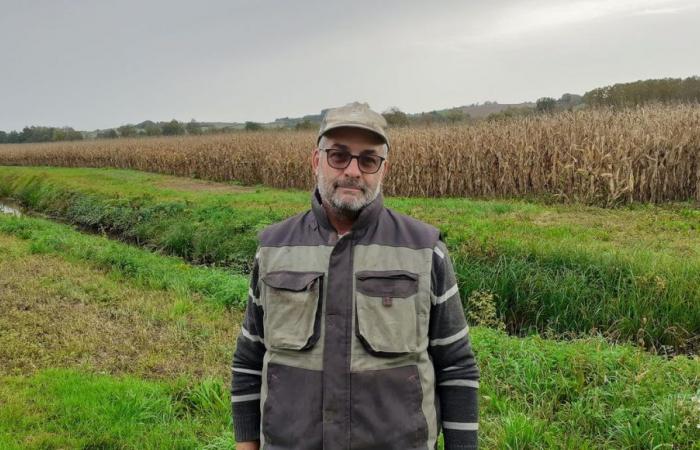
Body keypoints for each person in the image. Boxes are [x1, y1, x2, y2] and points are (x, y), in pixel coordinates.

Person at [231, 102, 480, 450]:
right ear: (316, 161)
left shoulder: (426, 252)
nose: (352, 170)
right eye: (339, 156)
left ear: (383, 169)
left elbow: (456, 367)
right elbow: (249, 359)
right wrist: (246, 444)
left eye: (367, 160)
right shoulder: (273, 250)